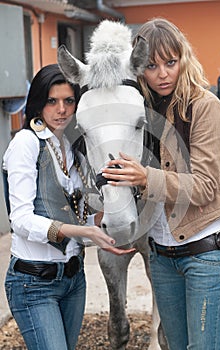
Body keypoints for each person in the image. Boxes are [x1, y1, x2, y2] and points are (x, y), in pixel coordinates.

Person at [102, 18, 220, 350]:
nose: (162, 73)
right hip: (162, 257)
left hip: (207, 253)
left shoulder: (205, 107)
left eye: (170, 62)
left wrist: (148, 178)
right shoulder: (139, 112)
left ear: (183, 60)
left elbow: (204, 186)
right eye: (151, 65)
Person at [3, 64, 134, 350]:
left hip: (74, 281)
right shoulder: (26, 144)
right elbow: (21, 220)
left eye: (68, 101)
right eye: (52, 101)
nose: (61, 109)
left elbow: (75, 212)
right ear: (38, 103)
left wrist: (101, 226)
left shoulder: (73, 149)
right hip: (34, 283)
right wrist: (83, 231)